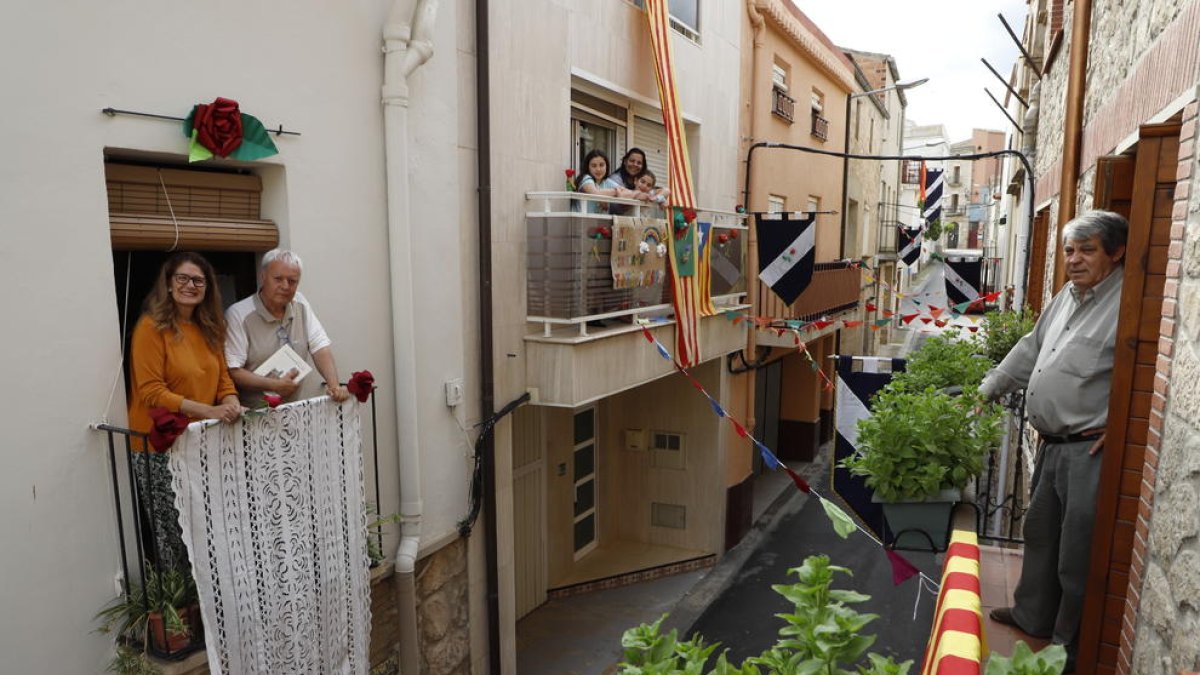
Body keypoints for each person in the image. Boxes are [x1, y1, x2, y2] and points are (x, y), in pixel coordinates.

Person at [979, 210, 1128, 672]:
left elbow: (1146, 366)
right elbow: (1031, 346)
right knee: (1040, 535)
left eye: (1087, 250)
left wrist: (1126, 423)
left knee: (1076, 554)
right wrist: (989, 387)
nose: (1074, 260)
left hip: (1089, 449)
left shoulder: (1129, 300)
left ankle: (1067, 648)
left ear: (1116, 252)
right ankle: (1032, 615)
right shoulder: (1068, 295)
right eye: (1069, 251)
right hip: (1052, 442)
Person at [127, 251, 243, 570]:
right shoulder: (151, 327)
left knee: (208, 527)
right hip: (158, 447)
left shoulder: (210, 328)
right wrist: (210, 411)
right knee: (173, 534)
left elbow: (223, 381)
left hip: (200, 443)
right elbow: (151, 391)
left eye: (198, 280)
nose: (190, 285)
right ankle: (182, 612)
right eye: (182, 278)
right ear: (168, 283)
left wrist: (230, 401)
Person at [225, 249, 351, 407]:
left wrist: (334, 386)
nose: (285, 286)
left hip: (292, 411)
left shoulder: (300, 303)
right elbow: (233, 371)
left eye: (292, 281)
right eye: (278, 279)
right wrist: (273, 385)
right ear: (263, 276)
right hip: (251, 416)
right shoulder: (238, 314)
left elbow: (320, 347)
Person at [573, 149, 627, 214]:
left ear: (606, 166)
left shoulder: (607, 182)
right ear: (588, 167)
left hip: (600, 223)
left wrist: (639, 194)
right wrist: (616, 191)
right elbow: (595, 193)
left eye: (601, 165)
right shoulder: (586, 178)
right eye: (594, 166)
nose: (598, 169)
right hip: (581, 222)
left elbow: (626, 192)